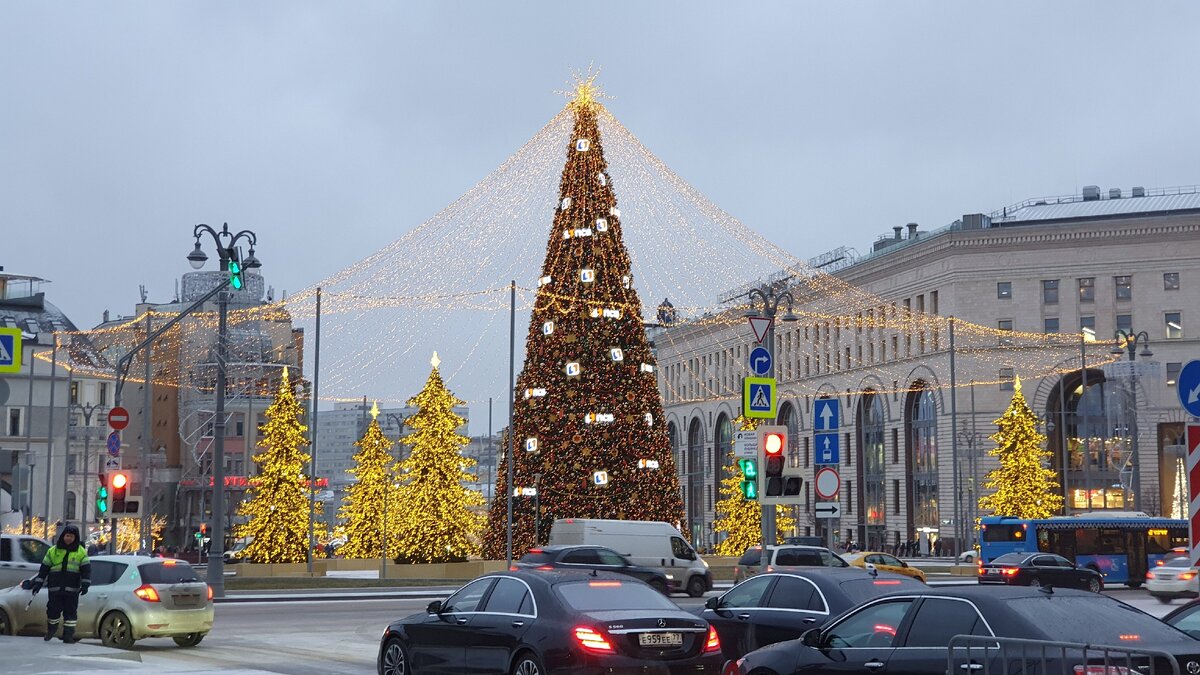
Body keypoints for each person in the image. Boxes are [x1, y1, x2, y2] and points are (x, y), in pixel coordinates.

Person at [31, 523, 91, 643]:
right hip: (55, 588)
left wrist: (85, 584)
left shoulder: (81, 552)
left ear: (76, 538)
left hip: (72, 589)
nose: (69, 538)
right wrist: (38, 583)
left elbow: (86, 569)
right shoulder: (53, 551)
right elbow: (44, 569)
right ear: (63, 536)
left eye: (72, 537)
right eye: (67, 535)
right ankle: (51, 629)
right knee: (52, 611)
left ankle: (68, 635)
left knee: (70, 613)